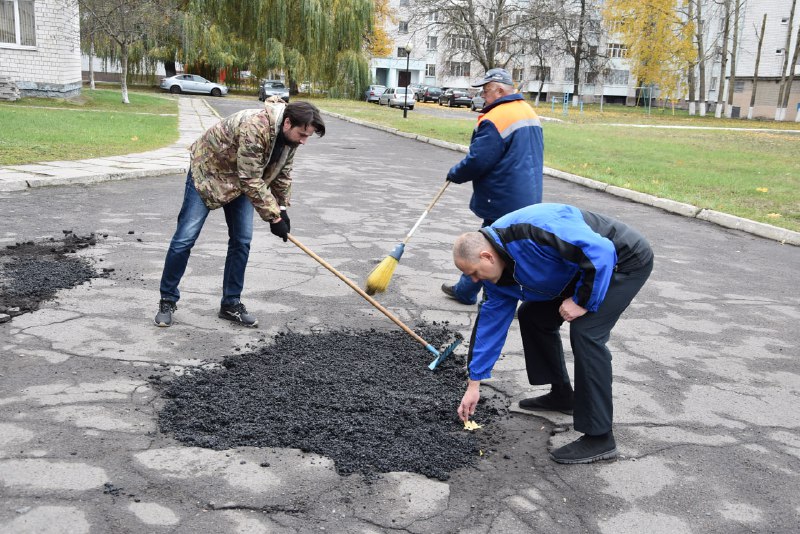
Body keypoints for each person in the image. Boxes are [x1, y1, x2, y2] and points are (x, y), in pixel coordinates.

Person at [452, 203, 654, 464]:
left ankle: (600, 437)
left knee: (587, 332)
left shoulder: (535, 229)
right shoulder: (497, 279)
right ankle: (562, 395)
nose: (475, 281)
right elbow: (489, 328)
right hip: (579, 269)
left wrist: (582, 301)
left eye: (475, 273)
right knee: (533, 315)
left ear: (486, 257)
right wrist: (474, 384)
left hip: (621, 261)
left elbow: (600, 251)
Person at [154, 98, 325, 328]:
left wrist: (282, 208)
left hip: (241, 181)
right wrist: (272, 217)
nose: (304, 141)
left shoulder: (289, 141)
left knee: (242, 241)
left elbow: (282, 173)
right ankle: (167, 300)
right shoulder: (255, 127)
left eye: (308, 137)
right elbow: (251, 179)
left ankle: (230, 304)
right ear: (287, 123)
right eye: (302, 135)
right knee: (185, 238)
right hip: (210, 173)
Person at [441, 68, 544, 305]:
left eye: (486, 91)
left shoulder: (497, 117)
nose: (483, 97)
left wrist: (455, 173)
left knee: (494, 244)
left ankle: (489, 296)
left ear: (500, 90)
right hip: (526, 193)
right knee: (503, 243)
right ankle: (466, 290)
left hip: (502, 196)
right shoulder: (527, 111)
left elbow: (479, 159)